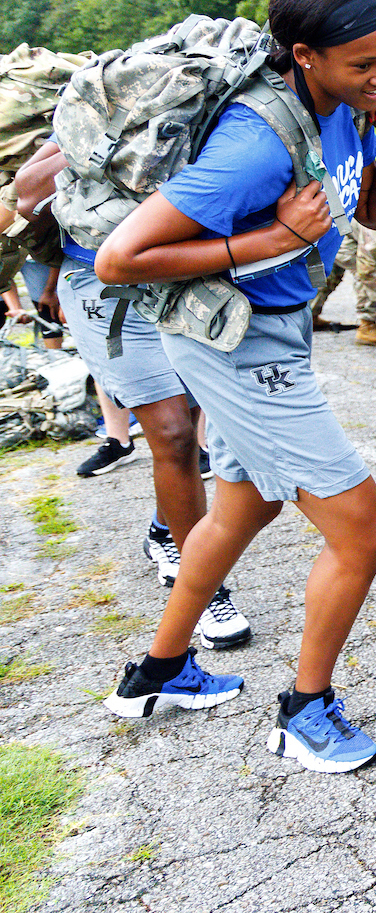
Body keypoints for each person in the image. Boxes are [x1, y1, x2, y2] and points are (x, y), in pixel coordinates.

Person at [91, 0, 376, 773]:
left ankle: (155, 673)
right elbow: (119, 258)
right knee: (363, 532)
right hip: (238, 346)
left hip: (276, 327)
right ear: (304, 54)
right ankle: (304, 713)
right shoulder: (254, 141)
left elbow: (371, 214)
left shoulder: (343, 108)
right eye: (362, 65)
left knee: (242, 512)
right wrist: (269, 242)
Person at [15, 144, 248, 648]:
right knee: (173, 433)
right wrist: (119, 136)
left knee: (186, 417)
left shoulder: (217, 80)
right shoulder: (103, 94)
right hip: (102, 282)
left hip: (184, 276)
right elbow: (28, 194)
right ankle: (204, 588)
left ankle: (165, 532)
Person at [310, 216, 376, 345]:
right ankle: (367, 327)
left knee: (330, 277)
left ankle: (310, 316)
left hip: (346, 234)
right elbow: (366, 271)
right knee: (365, 275)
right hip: (337, 236)